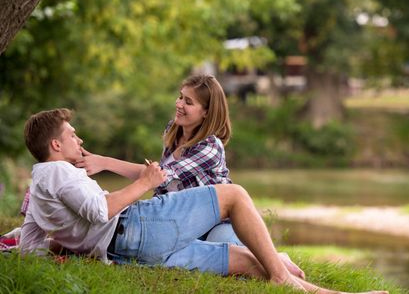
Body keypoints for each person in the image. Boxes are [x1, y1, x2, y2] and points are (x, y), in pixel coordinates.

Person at [20, 108, 388, 294]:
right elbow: (102, 210)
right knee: (234, 194)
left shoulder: (39, 184)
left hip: (127, 250)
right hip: (135, 229)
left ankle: (324, 291)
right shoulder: (60, 172)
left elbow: (31, 240)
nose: (77, 138)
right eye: (71, 134)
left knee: (246, 261)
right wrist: (146, 182)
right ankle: (281, 274)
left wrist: (56, 249)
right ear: (56, 145)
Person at [75, 74, 240, 244]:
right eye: (180, 97)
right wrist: (103, 162)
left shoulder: (210, 146)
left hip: (215, 223)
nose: (179, 104)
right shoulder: (174, 129)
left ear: (207, 112)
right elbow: (154, 176)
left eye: (188, 102)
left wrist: (106, 163)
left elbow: (159, 178)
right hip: (186, 221)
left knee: (222, 249)